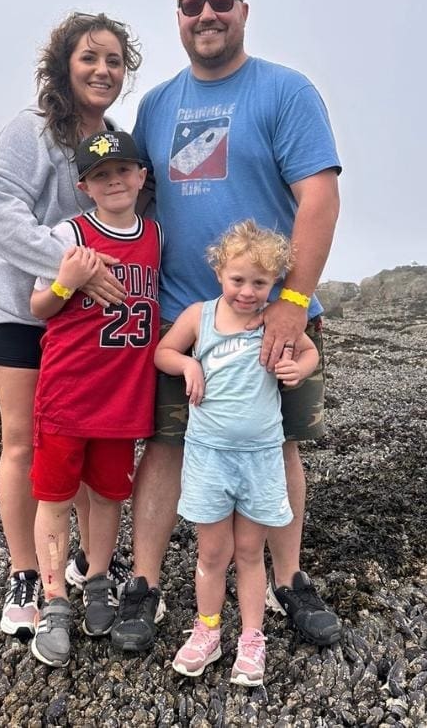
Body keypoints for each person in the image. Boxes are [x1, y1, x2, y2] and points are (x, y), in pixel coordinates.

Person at [111, 0, 343, 651]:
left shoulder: (285, 92)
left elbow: (320, 198)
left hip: (275, 313)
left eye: (220, 2)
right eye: (191, 6)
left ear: (244, 10)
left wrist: (293, 301)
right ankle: (145, 585)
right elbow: (133, 201)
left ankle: (289, 579)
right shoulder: (155, 105)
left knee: (281, 445)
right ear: (178, 18)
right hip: (186, 316)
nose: (206, 16)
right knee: (165, 444)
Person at [0, 13, 139, 640]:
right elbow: (0, 217)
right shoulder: (31, 132)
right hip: (21, 312)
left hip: (87, 326)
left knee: (82, 437)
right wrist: (74, 268)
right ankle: (25, 573)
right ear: (64, 65)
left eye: (115, 61)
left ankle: (79, 563)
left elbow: (129, 222)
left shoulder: (118, 142)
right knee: (24, 442)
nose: (103, 70)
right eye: (90, 58)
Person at [157, 220, 319, 686]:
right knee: (212, 552)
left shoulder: (276, 319)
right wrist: (187, 362)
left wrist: (296, 369)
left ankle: (252, 639)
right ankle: (207, 631)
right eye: (238, 280)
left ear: (275, 284)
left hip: (261, 456)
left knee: (250, 552)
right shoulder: (199, 316)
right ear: (219, 274)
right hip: (208, 455)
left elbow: (308, 353)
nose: (248, 292)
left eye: (260, 283)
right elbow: (162, 353)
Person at [27, 130, 161, 666]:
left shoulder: (154, 234)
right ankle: (55, 598)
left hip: (123, 398)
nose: (115, 181)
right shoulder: (70, 233)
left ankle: (99, 579)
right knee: (56, 496)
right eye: (102, 175)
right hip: (67, 394)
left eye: (124, 171)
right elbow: (38, 306)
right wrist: (67, 282)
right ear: (84, 185)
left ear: (141, 177)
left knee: (108, 496)